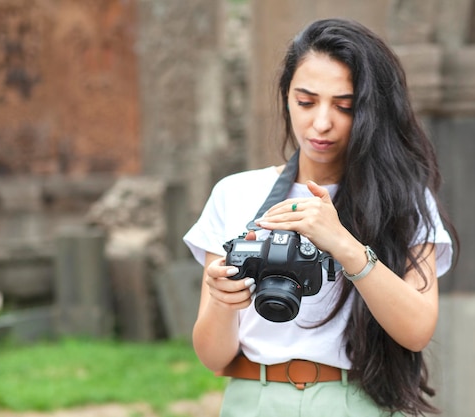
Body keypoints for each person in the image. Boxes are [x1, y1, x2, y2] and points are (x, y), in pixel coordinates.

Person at [183, 18, 457, 417]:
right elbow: (213, 357)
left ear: (371, 111)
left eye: (345, 106)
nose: (321, 123)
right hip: (254, 399)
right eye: (306, 101)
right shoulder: (235, 193)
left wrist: (343, 245)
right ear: (286, 97)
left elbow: (416, 331)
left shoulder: (403, 198)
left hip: (357, 401)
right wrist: (224, 302)